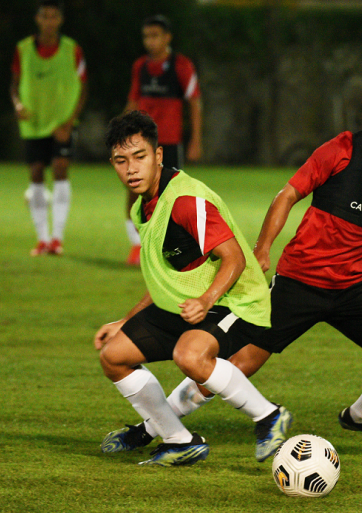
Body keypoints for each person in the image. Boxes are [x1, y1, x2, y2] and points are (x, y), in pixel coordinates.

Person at [114, 66, 362, 452]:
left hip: (349, 290)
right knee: (231, 367)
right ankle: (150, 430)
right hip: (296, 284)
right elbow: (287, 195)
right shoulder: (340, 151)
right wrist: (263, 246)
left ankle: (360, 416)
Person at [94, 111, 292, 467]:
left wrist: (206, 299)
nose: (131, 169)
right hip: (191, 302)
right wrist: (125, 321)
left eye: (140, 157)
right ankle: (178, 440)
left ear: (158, 156)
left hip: (236, 300)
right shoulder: (144, 205)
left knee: (190, 355)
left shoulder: (185, 201)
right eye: (121, 161)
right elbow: (164, 278)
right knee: (113, 355)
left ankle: (268, 416)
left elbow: (235, 258)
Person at [123, 14, 202, 266]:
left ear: (167, 37)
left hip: (168, 142)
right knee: (133, 189)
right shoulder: (140, 67)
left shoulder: (181, 65)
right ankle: (137, 245)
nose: (151, 41)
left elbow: (195, 102)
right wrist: (121, 135)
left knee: (168, 194)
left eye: (155, 35)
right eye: (147, 36)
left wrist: (195, 140)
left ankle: (167, 246)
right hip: (140, 142)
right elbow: (133, 102)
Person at [10, 0, 88, 256]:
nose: (49, 21)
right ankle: (42, 238)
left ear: (60, 20)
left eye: (54, 17)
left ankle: (57, 238)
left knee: (60, 169)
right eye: (45, 16)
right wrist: (18, 104)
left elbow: (84, 87)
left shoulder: (72, 49)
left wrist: (69, 121)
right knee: (35, 174)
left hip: (61, 124)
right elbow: (14, 85)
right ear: (38, 19)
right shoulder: (23, 49)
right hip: (33, 123)